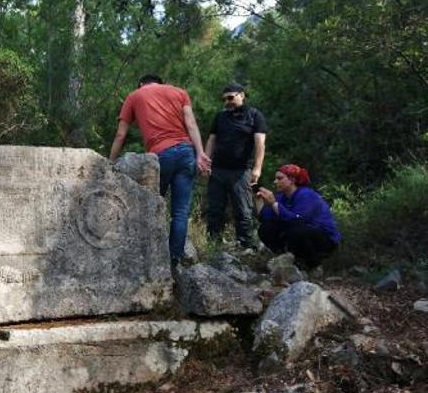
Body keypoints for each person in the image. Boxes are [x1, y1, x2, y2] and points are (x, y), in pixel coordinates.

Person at [109, 74, 211, 267]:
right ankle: (174, 260)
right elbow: (191, 124)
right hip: (186, 152)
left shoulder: (134, 96)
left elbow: (121, 134)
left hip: (160, 156)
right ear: (161, 83)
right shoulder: (180, 92)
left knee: (152, 207)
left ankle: (149, 258)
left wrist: (110, 163)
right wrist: (200, 153)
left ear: (141, 84)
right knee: (180, 212)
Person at [204, 83, 268, 249]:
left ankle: (246, 245)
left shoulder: (254, 115)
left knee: (243, 210)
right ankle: (214, 244)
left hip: (241, 171)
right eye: (224, 99)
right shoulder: (220, 117)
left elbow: (260, 144)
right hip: (218, 169)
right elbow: (212, 139)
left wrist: (257, 168)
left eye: (230, 97)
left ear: (242, 95)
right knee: (215, 209)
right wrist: (205, 160)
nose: (227, 101)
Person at [255, 164, 341, 269]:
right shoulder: (282, 196)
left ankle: (311, 264)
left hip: (323, 239)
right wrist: (259, 201)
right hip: (300, 232)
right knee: (266, 228)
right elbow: (265, 218)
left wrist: (273, 204)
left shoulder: (306, 195)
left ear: (292, 180)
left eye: (280, 178)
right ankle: (285, 258)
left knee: (296, 231)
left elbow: (297, 220)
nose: (275, 182)